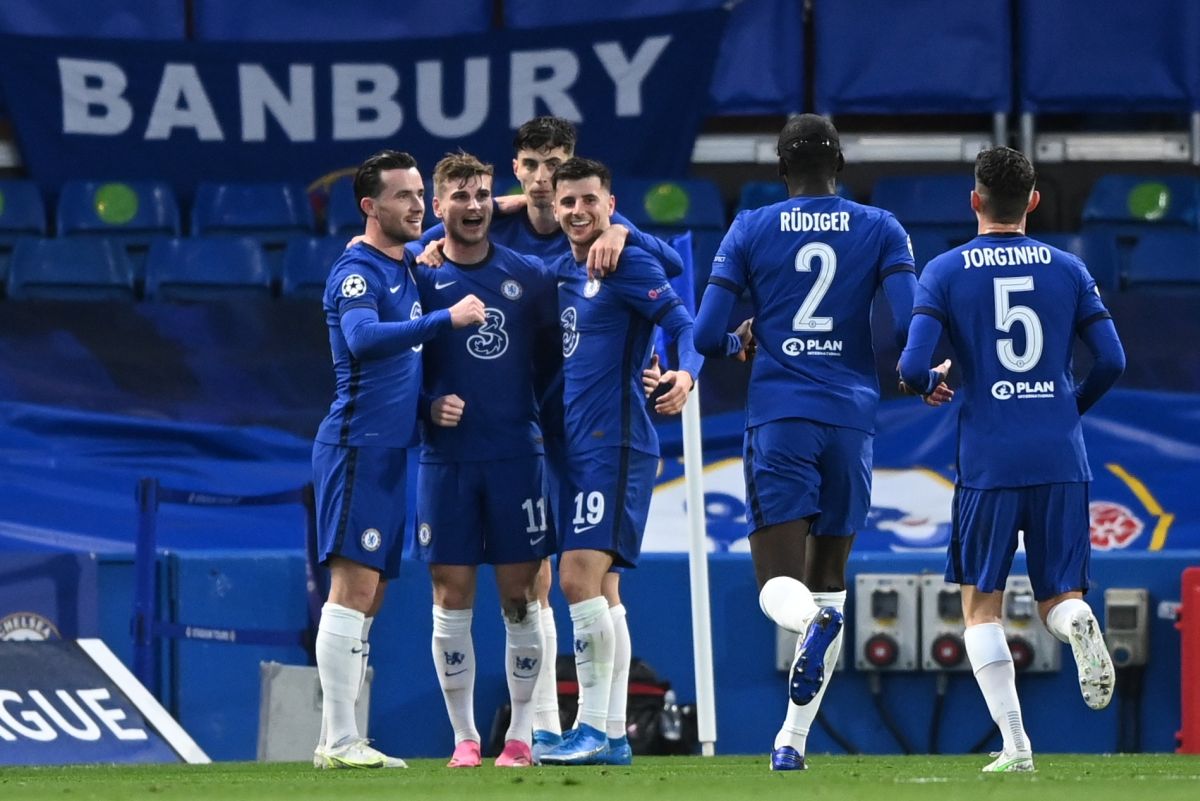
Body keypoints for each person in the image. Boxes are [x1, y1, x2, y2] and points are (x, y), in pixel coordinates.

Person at [418, 116, 683, 759]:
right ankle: (539, 730)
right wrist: (425, 241)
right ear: (518, 171)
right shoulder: (494, 224)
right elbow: (440, 234)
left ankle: (604, 727)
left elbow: (670, 267)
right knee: (537, 578)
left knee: (593, 581)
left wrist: (623, 228)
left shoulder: (604, 236)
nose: (544, 180)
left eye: (556, 165)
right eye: (534, 167)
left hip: (595, 423)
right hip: (536, 429)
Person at [692, 114, 936, 772]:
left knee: (779, 581)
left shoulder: (750, 227)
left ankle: (807, 647)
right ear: (841, 165)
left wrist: (739, 339)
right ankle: (792, 741)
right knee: (828, 581)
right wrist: (922, 376)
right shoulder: (881, 226)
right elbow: (913, 320)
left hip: (780, 415)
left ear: (780, 169)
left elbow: (705, 333)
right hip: (852, 419)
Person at [899, 146, 1125, 773]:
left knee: (981, 605)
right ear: (1032, 201)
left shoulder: (945, 270)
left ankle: (1017, 745)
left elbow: (913, 364)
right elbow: (1112, 360)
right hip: (1060, 454)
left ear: (974, 200)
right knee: (1060, 598)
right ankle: (1079, 622)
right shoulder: (1069, 268)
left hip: (989, 460)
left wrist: (932, 381)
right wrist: (1065, 410)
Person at [311, 150, 485, 769]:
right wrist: (446, 318)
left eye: (420, 193)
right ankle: (336, 740)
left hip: (390, 449)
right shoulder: (357, 272)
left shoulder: (404, 264)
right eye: (404, 196)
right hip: (356, 447)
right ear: (370, 207)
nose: (418, 205)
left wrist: (425, 409)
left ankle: (341, 738)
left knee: (373, 593)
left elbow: (453, 222)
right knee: (351, 588)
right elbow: (361, 341)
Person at [537, 157, 702, 766]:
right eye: (567, 203)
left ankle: (596, 729)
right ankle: (608, 736)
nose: (578, 212)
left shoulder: (624, 260)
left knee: (577, 578)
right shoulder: (564, 267)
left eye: (590, 201)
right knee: (603, 590)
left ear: (610, 202)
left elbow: (683, 318)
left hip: (618, 441)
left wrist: (686, 372)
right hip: (582, 444)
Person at [411, 152, 560, 769]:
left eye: (481, 196)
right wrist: (426, 406)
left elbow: (554, 368)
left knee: (522, 598)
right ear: (438, 206)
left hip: (514, 459)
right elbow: (391, 366)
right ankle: (465, 739)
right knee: (450, 595)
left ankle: (521, 736)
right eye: (459, 196)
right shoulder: (417, 279)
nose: (473, 207)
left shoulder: (528, 277)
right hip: (445, 463)